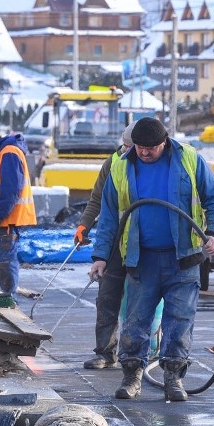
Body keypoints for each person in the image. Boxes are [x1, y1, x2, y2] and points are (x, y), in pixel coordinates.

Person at [90, 117, 214, 402]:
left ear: (164, 142)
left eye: (151, 147)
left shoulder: (189, 159)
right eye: (140, 147)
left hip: (184, 260)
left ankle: (173, 378)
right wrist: (101, 256)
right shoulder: (121, 167)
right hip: (141, 260)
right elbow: (107, 217)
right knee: (135, 322)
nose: (144, 152)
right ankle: (131, 377)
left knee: (179, 321)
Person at [75, 121, 136, 370]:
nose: (129, 151)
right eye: (126, 146)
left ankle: (137, 354)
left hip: (148, 246)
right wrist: (84, 225)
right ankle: (105, 352)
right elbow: (97, 199)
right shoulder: (114, 162)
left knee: (142, 302)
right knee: (107, 297)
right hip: (115, 244)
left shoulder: (159, 167)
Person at [0, 122, 36, 301]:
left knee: (4, 264)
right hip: (1, 220)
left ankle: (8, 303)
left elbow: (11, 190)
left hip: (8, 220)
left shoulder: (9, 153)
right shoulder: (3, 153)